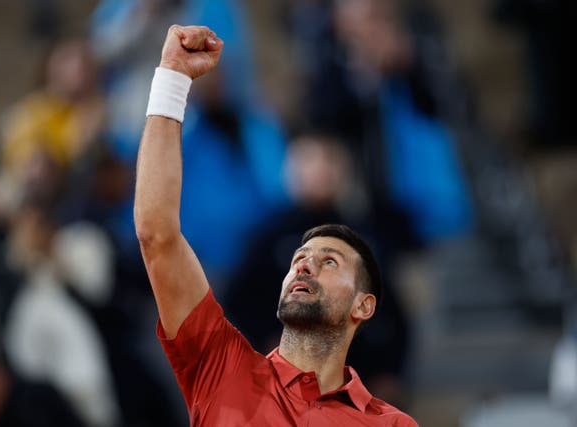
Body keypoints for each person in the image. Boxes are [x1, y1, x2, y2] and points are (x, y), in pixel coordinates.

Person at [134, 25, 418, 426]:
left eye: (330, 261)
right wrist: (171, 79)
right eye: (299, 258)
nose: (304, 264)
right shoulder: (221, 366)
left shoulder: (392, 424)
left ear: (363, 305)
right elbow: (156, 235)